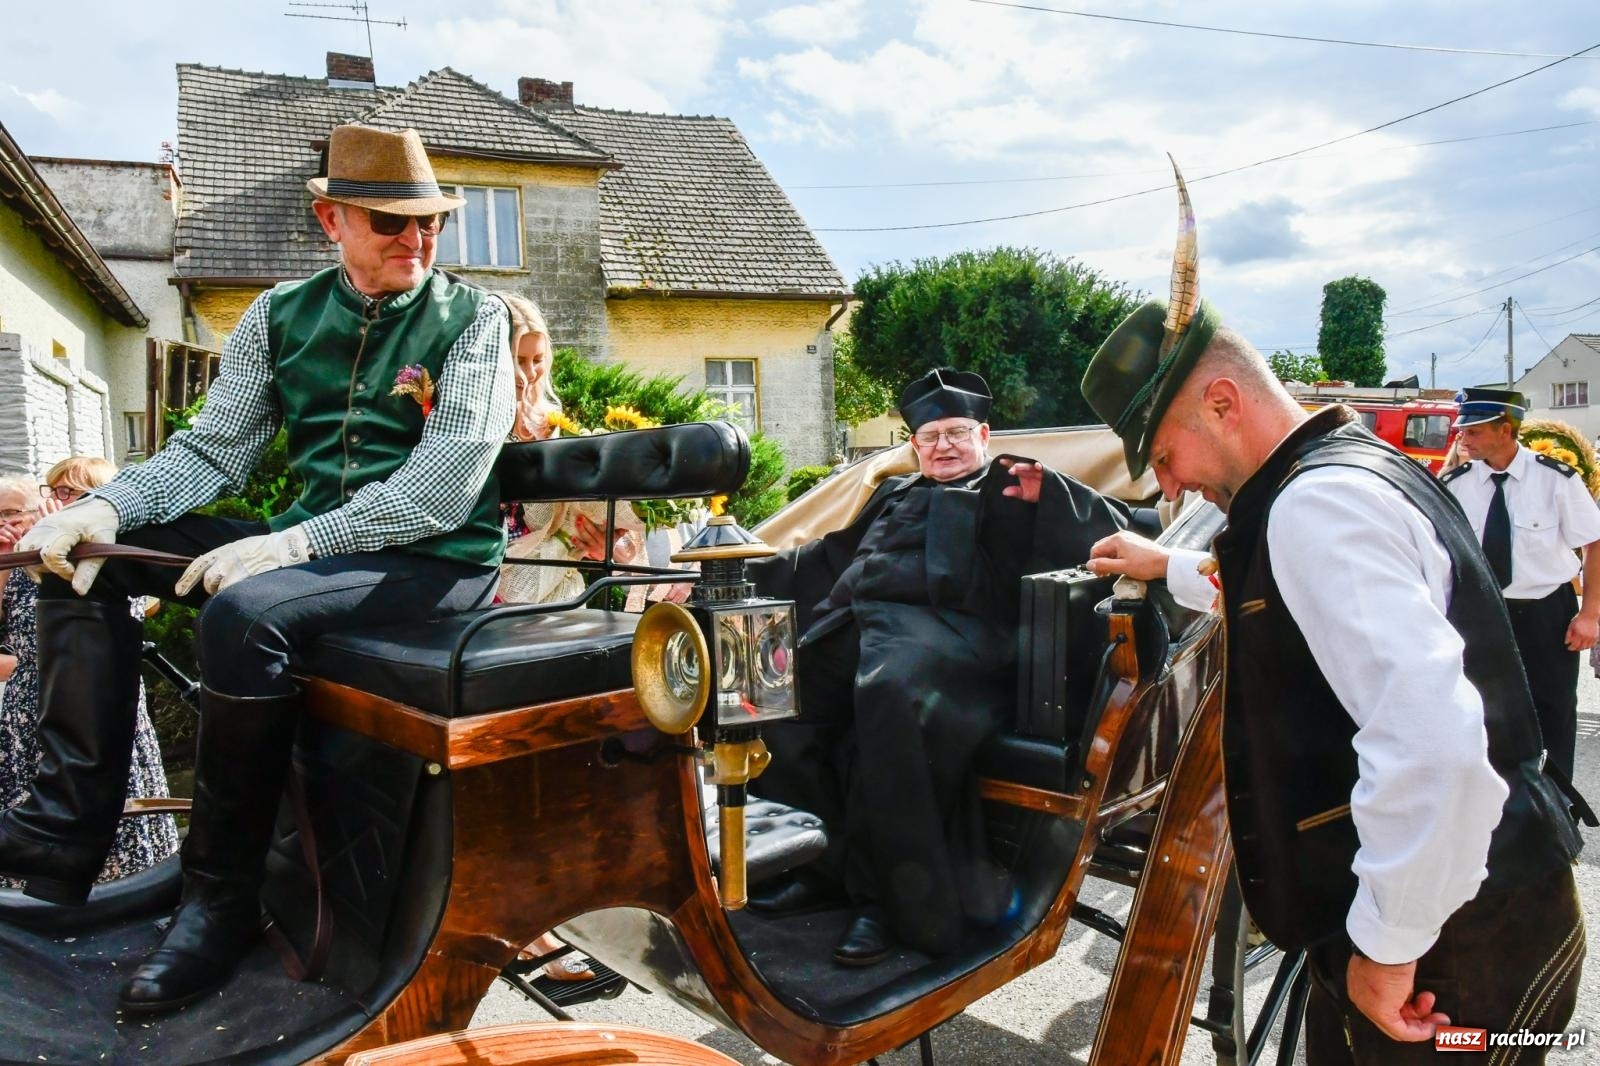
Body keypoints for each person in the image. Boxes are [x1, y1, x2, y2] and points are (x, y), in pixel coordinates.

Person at [5, 124, 514, 1014]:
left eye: (430, 223)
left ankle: (221, 898)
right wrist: (108, 505)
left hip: (434, 562)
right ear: (331, 219)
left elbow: (444, 486)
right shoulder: (279, 314)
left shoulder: (475, 320)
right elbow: (213, 451)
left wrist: (291, 545)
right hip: (314, 548)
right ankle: (59, 838)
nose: (417, 241)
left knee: (243, 616)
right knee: (79, 560)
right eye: (391, 223)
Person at [1080, 173, 1584, 1063]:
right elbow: (1292, 600)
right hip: (1480, 909)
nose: (1172, 486)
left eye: (1166, 453)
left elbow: (1434, 748)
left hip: (1451, 948)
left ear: (1223, 402)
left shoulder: (1318, 508)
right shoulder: (1345, 475)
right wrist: (1170, 567)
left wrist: (1388, 952)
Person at [745, 368, 1129, 966]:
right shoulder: (892, 494)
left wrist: (1052, 495)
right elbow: (824, 556)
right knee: (773, 684)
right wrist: (735, 567)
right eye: (930, 436)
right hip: (859, 626)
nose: (943, 446)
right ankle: (819, 864)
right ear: (914, 445)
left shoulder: (1015, 490)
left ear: (983, 433)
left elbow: (1125, 532)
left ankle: (888, 905)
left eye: (956, 433)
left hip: (957, 641)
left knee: (890, 694)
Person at [1, 461, 179, 888]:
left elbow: (124, 623)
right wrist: (8, 562)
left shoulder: (111, 551)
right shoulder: (25, 561)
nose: (64, 501)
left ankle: (126, 893)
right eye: (58, 491)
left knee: (114, 800)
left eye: (74, 494)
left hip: (98, 703)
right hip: (28, 710)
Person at [1441, 388, 1600, 779]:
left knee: (1553, 710)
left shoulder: (1555, 480)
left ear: (1506, 430)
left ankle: (1558, 811)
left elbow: (1594, 544)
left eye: (1474, 431)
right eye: (1463, 432)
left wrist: (1590, 614)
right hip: (1484, 613)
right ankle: (1503, 810)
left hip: (1547, 612)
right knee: (1485, 710)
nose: (1464, 439)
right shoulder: (1457, 483)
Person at [496, 294, 644, 607]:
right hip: (495, 588)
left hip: (562, 586)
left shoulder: (551, 422)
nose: (529, 374)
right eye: (517, 361)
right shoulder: (468, 421)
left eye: (536, 360)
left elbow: (585, 520)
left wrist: (603, 541)